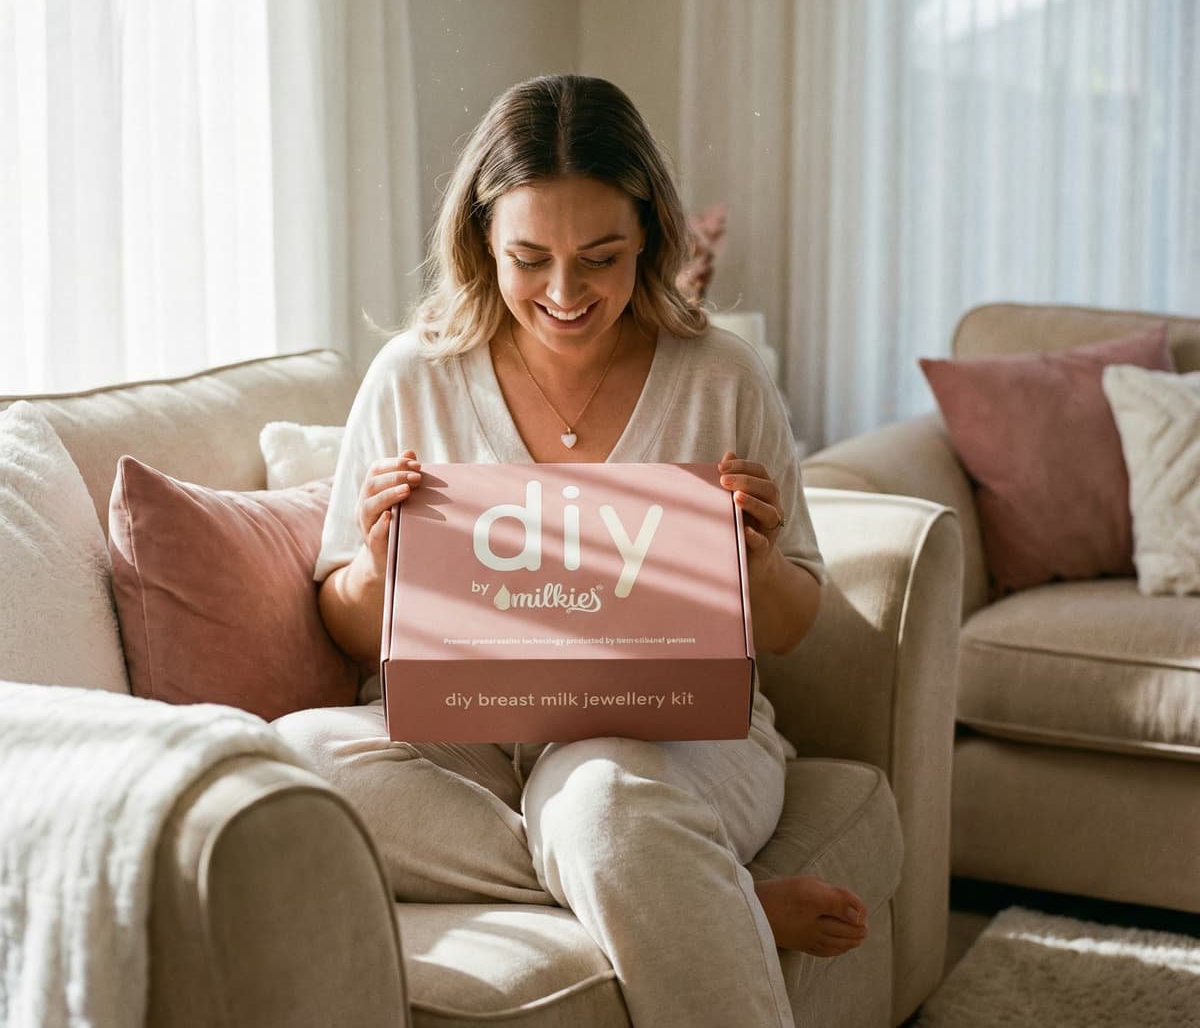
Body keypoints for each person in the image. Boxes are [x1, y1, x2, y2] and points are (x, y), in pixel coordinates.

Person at [273, 74, 868, 1027]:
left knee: (600, 804)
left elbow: (794, 623)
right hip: (465, 739)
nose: (563, 292)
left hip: (672, 741)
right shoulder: (412, 377)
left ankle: (641, 865)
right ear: (482, 242)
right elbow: (346, 622)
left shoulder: (720, 376)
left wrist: (754, 562)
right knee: (291, 761)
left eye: (601, 258)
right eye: (528, 258)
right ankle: (702, 896)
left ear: (651, 238)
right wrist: (382, 561)